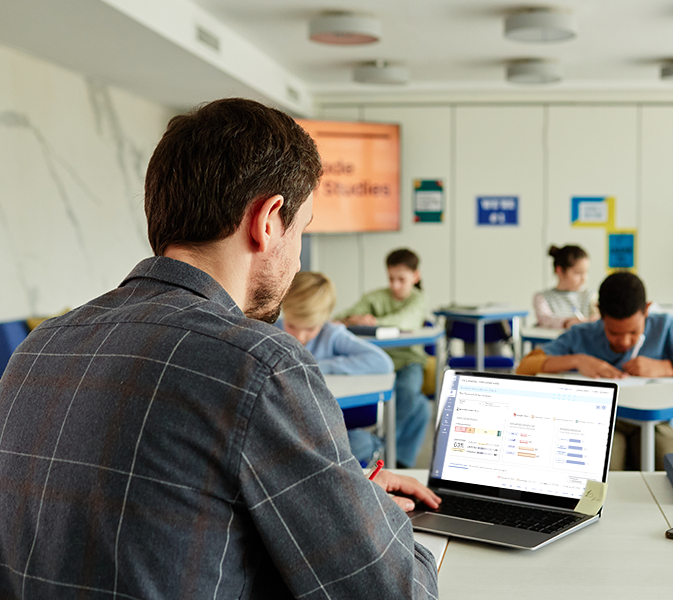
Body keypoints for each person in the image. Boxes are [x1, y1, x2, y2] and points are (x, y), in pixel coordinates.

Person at [0, 98, 439, 599]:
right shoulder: (260, 362)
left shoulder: (39, 348)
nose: (297, 262)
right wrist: (370, 511)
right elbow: (392, 591)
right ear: (268, 220)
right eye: (303, 231)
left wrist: (336, 496)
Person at [517, 271, 673, 470]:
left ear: (647, 310)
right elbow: (525, 367)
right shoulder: (581, 334)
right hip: (602, 425)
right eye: (613, 332)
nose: (625, 341)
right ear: (600, 313)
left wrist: (665, 367)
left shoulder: (663, 327)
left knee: (668, 463)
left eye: (633, 331)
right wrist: (578, 360)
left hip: (654, 421)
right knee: (607, 466)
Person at [282, 271, 393, 464]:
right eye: (291, 325)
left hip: (329, 428)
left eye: (309, 328)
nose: (299, 336)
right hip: (288, 425)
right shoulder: (269, 329)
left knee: (359, 443)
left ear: (326, 318)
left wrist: (316, 365)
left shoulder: (331, 334)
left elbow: (382, 362)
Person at [336, 248, 431, 468]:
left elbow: (405, 320)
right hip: (378, 363)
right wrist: (355, 318)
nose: (395, 285)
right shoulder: (374, 297)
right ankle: (400, 461)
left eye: (402, 279)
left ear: (415, 277)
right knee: (421, 407)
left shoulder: (418, 299)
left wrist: (372, 322)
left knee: (407, 391)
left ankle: (380, 445)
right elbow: (343, 318)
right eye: (391, 279)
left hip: (409, 361)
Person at [533, 244, 599, 329]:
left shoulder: (590, 296)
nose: (584, 278)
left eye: (586, 272)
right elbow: (545, 319)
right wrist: (568, 322)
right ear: (559, 271)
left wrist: (597, 317)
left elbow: (598, 316)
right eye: (578, 273)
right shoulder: (542, 298)